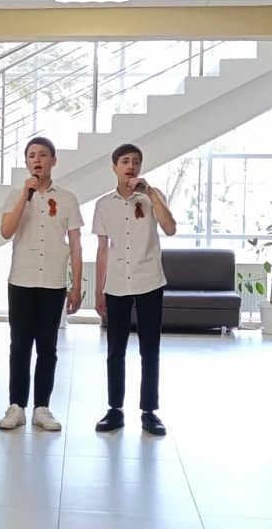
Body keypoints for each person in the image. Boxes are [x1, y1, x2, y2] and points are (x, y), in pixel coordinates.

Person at [0, 137, 84, 432]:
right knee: (20, 346)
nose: (37, 160)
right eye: (32, 155)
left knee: (48, 347)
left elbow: (76, 246)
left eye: (43, 155)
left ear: (53, 161)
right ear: (26, 162)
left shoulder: (68, 199)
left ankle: (42, 407)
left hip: (53, 282)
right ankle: (16, 406)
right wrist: (25, 195)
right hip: (21, 279)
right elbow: (6, 231)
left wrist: (75, 286)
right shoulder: (16, 195)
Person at [92, 143, 177, 436]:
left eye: (136, 161)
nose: (131, 166)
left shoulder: (153, 196)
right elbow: (102, 249)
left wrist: (150, 193)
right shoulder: (104, 204)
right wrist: (98, 290)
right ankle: (115, 409)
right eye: (125, 161)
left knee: (149, 348)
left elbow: (170, 228)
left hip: (149, 279)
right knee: (115, 349)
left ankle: (149, 411)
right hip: (117, 283)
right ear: (115, 167)